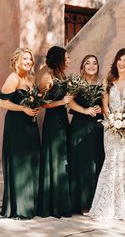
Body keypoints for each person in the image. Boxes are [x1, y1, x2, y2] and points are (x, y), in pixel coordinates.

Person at [87, 48, 125, 221]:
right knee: (113, 162)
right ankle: (110, 206)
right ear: (116, 60)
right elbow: (104, 105)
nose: (122, 63)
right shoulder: (108, 79)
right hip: (111, 127)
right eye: (120, 59)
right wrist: (112, 121)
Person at [0, 48, 40, 219]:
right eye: (25, 58)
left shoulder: (31, 79)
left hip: (30, 125)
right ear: (17, 60)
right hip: (16, 125)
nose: (28, 61)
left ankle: (30, 205)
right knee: (19, 164)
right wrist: (23, 108)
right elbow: (2, 102)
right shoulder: (13, 78)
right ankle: (18, 207)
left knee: (31, 163)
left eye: (30, 59)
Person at [38, 46, 72, 217]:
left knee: (63, 157)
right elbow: (42, 102)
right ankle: (51, 205)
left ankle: (62, 202)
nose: (69, 60)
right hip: (52, 120)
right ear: (59, 58)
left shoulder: (62, 75)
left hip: (62, 118)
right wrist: (61, 102)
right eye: (66, 57)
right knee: (55, 157)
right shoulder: (47, 76)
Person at [68, 55, 104, 214]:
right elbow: (69, 102)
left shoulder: (102, 82)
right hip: (79, 126)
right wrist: (84, 110)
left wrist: (100, 109)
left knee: (95, 162)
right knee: (80, 162)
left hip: (97, 127)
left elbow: (105, 104)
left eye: (94, 63)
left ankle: (91, 202)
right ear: (82, 67)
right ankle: (78, 202)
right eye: (87, 63)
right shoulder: (77, 82)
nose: (91, 65)